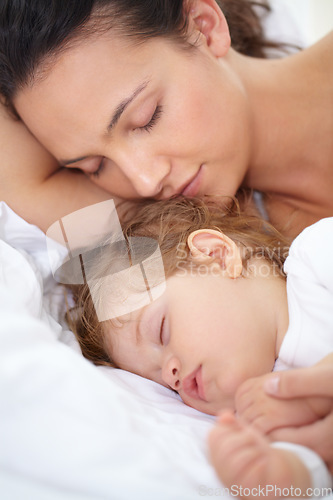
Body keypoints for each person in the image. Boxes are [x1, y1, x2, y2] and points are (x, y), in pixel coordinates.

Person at [65, 196, 333, 496]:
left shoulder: (317, 257)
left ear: (216, 255)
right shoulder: (262, 418)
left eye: (162, 331)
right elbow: (314, 473)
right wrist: (276, 471)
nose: (171, 376)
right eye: (163, 384)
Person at [0, 0, 332, 236]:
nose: (145, 181)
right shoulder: (203, 234)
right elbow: (18, 187)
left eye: (147, 119)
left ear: (205, 26)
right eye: (94, 167)